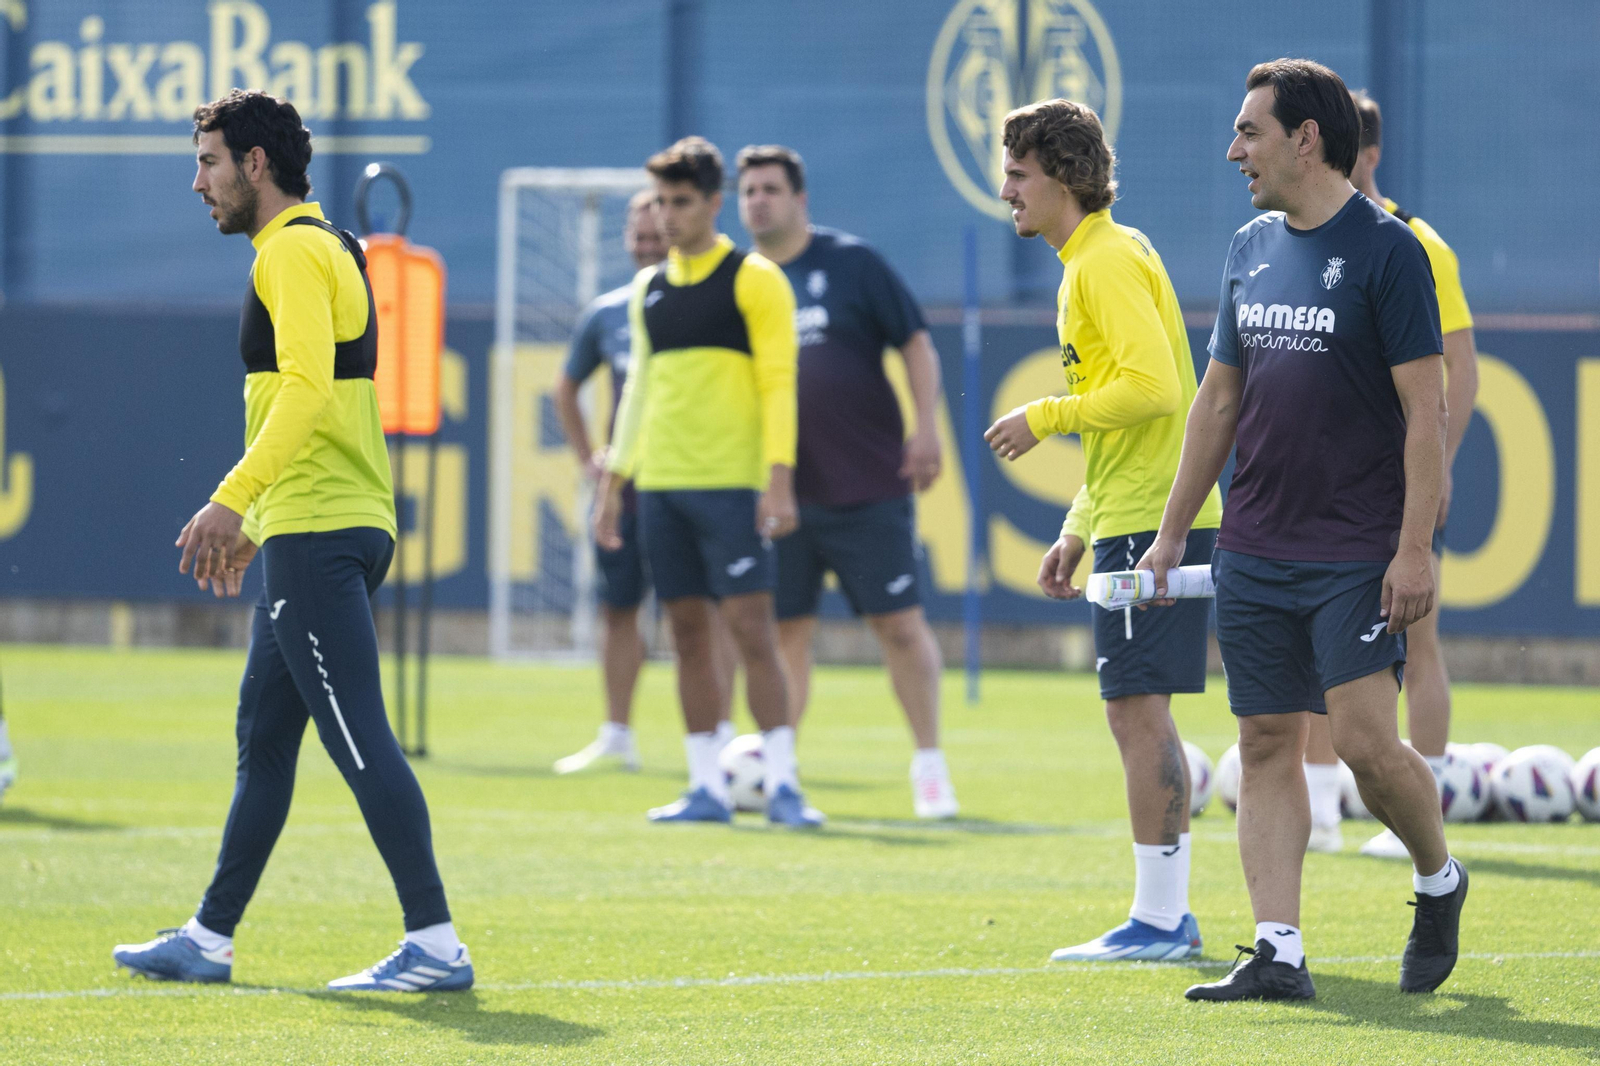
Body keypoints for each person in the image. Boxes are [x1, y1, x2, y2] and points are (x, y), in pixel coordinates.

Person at [112, 91, 471, 992]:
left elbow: (307, 390)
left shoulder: (295, 254)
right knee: (264, 739)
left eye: (208, 162)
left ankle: (435, 945)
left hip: (318, 528)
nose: (197, 182)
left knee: (359, 740)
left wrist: (234, 501)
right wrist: (258, 518)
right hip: (313, 522)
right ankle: (210, 936)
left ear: (255, 165)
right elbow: (305, 398)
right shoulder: (320, 245)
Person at [1141, 59, 1467, 1002]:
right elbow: (1218, 401)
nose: (1233, 149)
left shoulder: (1389, 251)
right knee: (1266, 744)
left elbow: (1425, 413)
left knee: (1365, 746)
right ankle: (1278, 951)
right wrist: (1174, 533)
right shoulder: (1248, 246)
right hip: (1253, 545)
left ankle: (1438, 879)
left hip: (1356, 551)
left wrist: (1413, 548)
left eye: (1249, 131)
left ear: (1305, 139)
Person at [983, 99, 1223, 960]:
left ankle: (1162, 921)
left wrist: (1045, 414)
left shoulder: (1103, 263)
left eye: (1018, 173)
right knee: (1137, 710)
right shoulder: (1102, 255)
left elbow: (1157, 390)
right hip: (1132, 513)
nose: (1005, 189)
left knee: (1138, 714)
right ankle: (1162, 915)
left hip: (1155, 518)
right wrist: (1079, 524)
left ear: (1066, 179)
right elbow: (1130, 413)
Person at [593, 136, 822, 827]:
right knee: (687, 634)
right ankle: (706, 787)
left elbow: (780, 384)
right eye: (660, 202)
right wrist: (614, 486)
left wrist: (778, 480)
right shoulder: (649, 290)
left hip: (732, 487)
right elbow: (637, 393)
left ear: (713, 204)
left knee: (753, 632)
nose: (667, 216)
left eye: (681, 202)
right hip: (661, 488)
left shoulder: (755, 280)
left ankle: (783, 783)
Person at [734, 145, 958, 819]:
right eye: (747, 191)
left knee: (898, 625)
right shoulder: (735, 281)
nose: (758, 201)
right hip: (777, 490)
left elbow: (915, 340)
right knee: (784, 635)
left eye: (770, 189)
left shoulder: (852, 264)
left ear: (799, 199)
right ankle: (782, 774)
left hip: (868, 481)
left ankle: (929, 766)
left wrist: (925, 426)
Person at [1300, 90, 1481, 859]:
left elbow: (1457, 375)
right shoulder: (1298, 236)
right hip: (1321, 490)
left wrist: (1433, 479)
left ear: (1364, 154)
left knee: (1420, 637)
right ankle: (1319, 812)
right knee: (1310, 649)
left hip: (1396, 483)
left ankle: (1424, 801)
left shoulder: (1417, 244)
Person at [551, 190, 738, 775]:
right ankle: (617, 734)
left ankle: (722, 733)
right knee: (619, 605)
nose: (646, 246)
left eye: (655, 235)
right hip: (631, 487)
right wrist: (592, 461)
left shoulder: (720, 299)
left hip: (699, 475)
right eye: (638, 236)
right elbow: (567, 387)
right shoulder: (610, 310)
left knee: (708, 612)